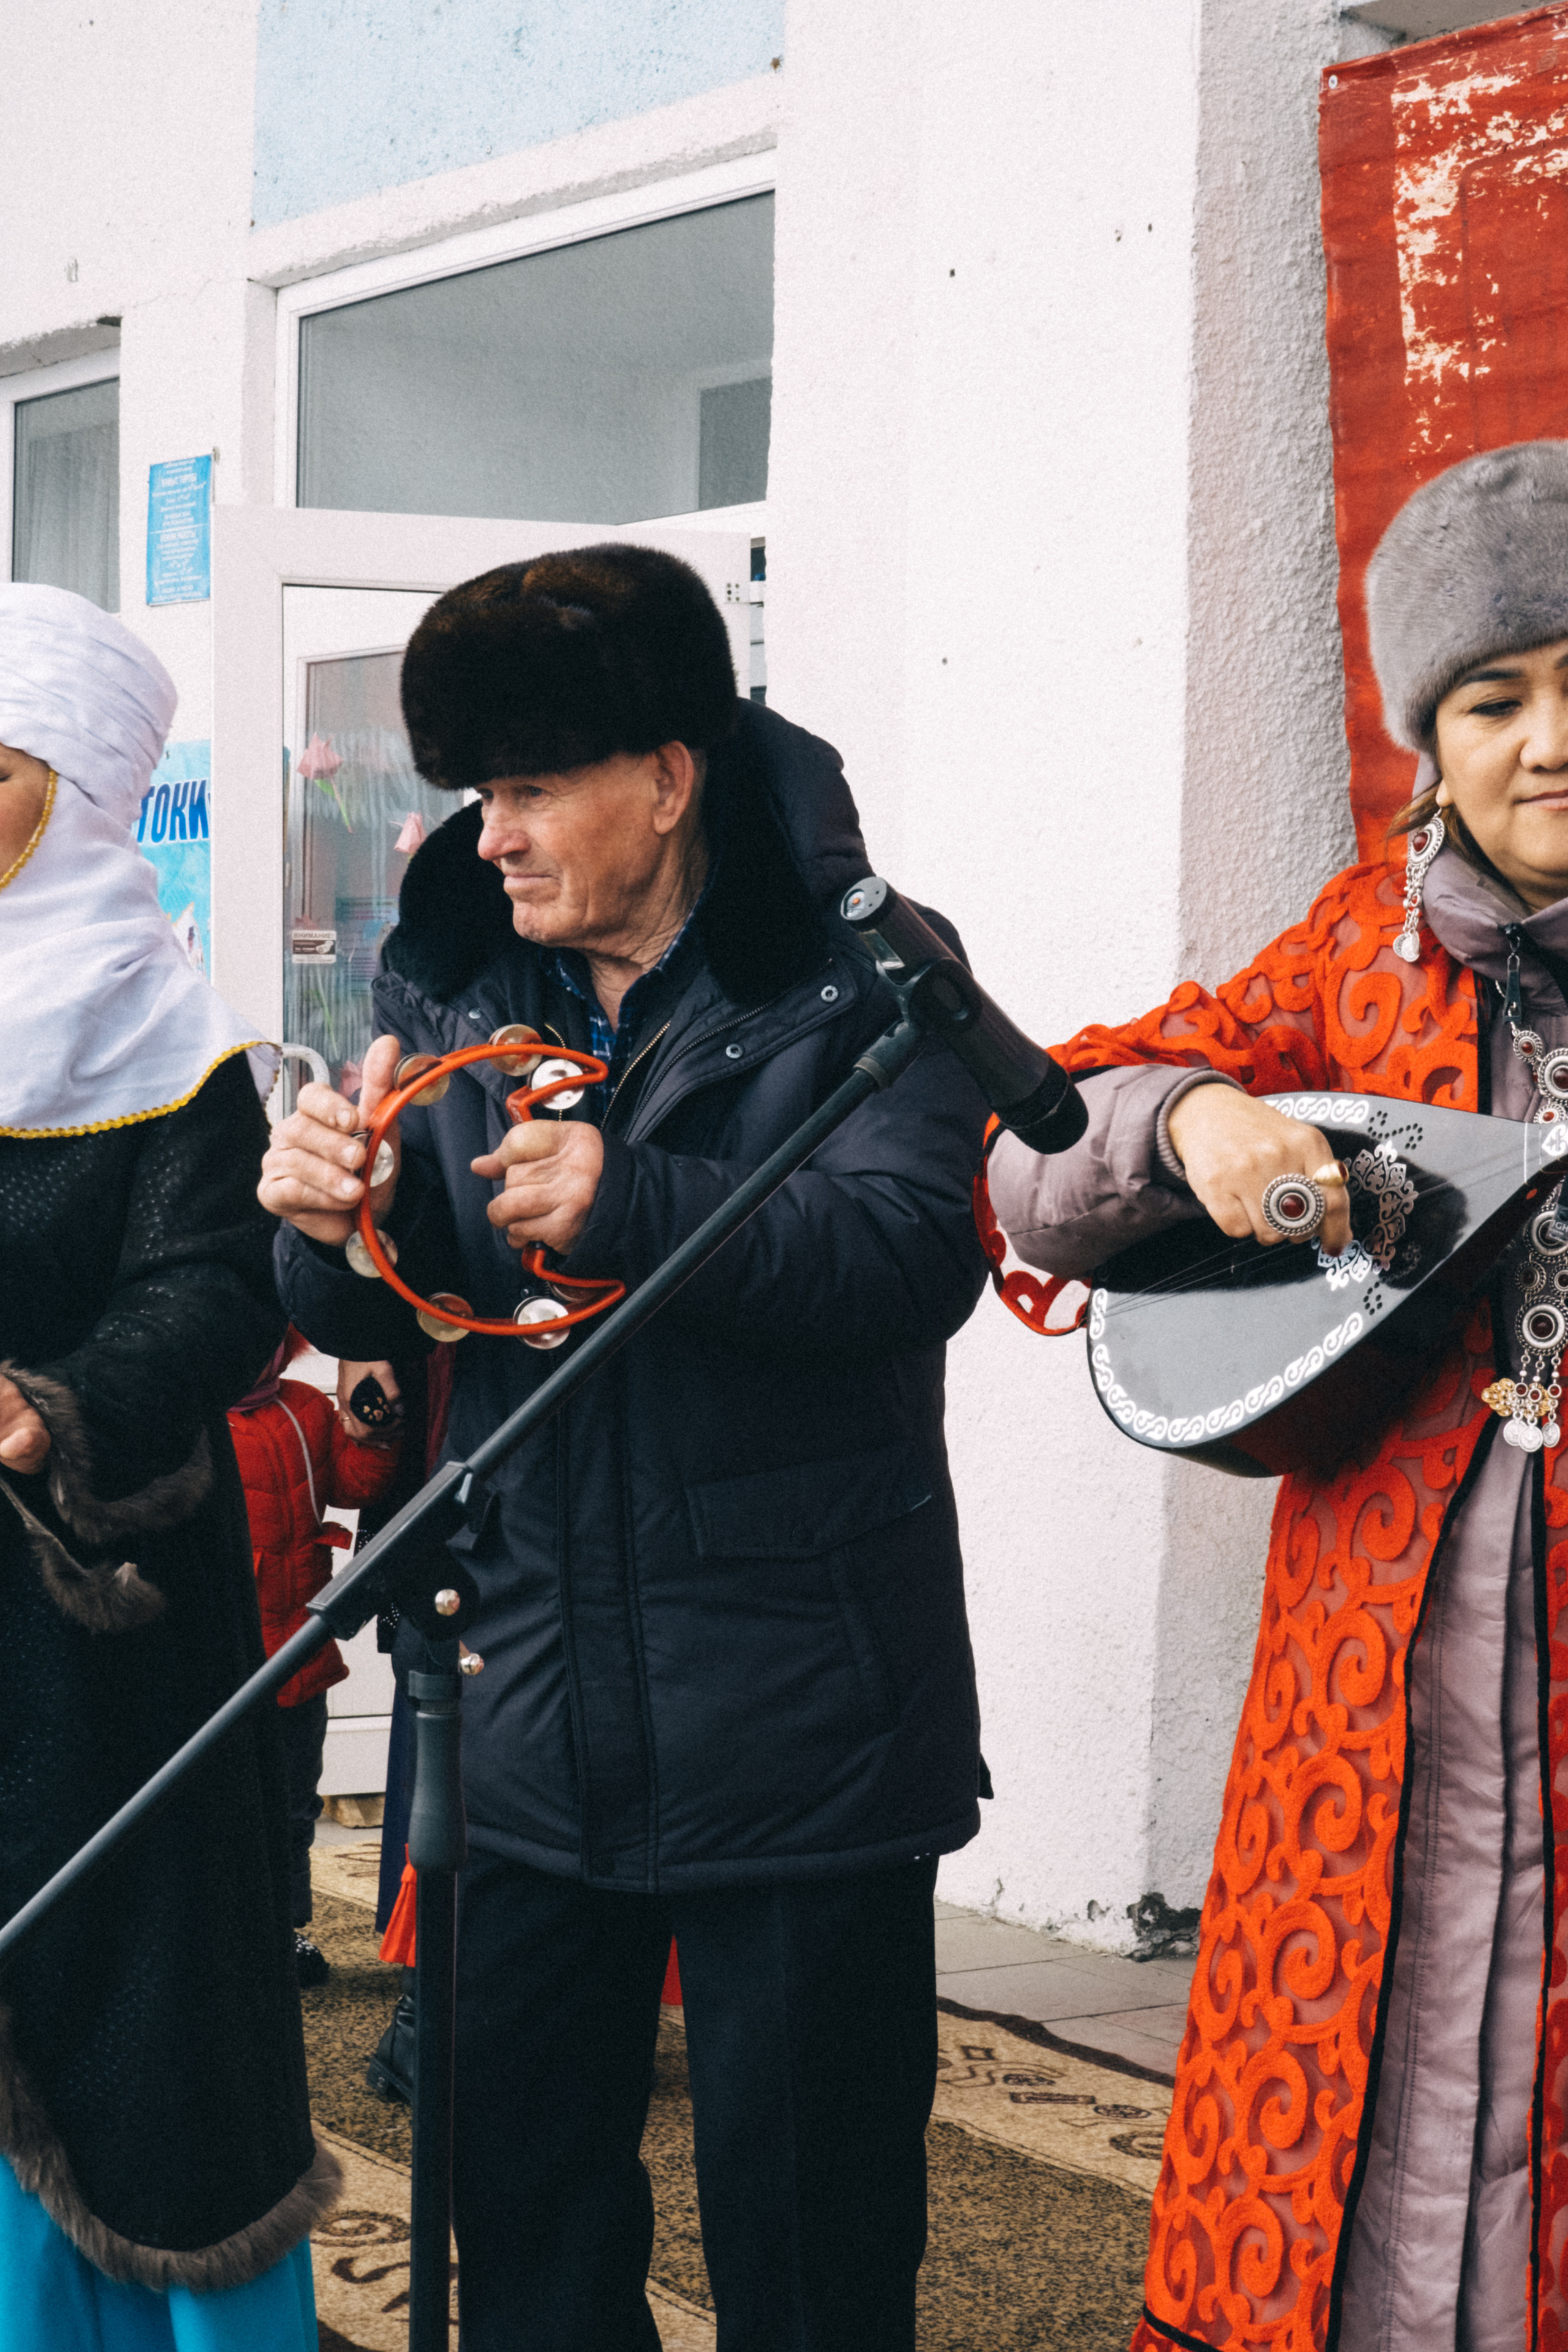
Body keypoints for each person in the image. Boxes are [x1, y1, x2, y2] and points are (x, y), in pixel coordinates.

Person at [260, 543, 990, 2350]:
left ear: (666, 776)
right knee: (525, 2230)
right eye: (477, 795)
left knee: (810, 2252)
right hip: (523, 1705)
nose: (490, 835)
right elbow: (390, 1305)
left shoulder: (866, 971)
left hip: (801, 1721)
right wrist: (317, 1230)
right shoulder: (450, 981)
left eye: (527, 788)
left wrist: (635, 1199)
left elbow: (912, 1258)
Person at [988, 441, 1568, 2352]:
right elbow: (1038, 1132)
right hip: (1365, 1672)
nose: (1545, 739)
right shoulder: (1349, 950)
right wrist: (1198, 1112)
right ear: (1428, 736)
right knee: (1356, 2078)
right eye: (1494, 698)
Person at [0, 584, 336, 2346]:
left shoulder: (171, 1038)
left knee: (127, 2021)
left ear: (67, 792)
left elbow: (220, 1294)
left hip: (94, 1636)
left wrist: (61, 1403)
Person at [228, 1338, 402, 1985]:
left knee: (295, 1803)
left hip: (300, 1651)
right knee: (222, 1807)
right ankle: (220, 1935)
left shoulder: (303, 1407)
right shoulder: (188, 1423)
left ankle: (286, 1930)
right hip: (227, 1660)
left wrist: (371, 1435)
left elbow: (354, 1487)